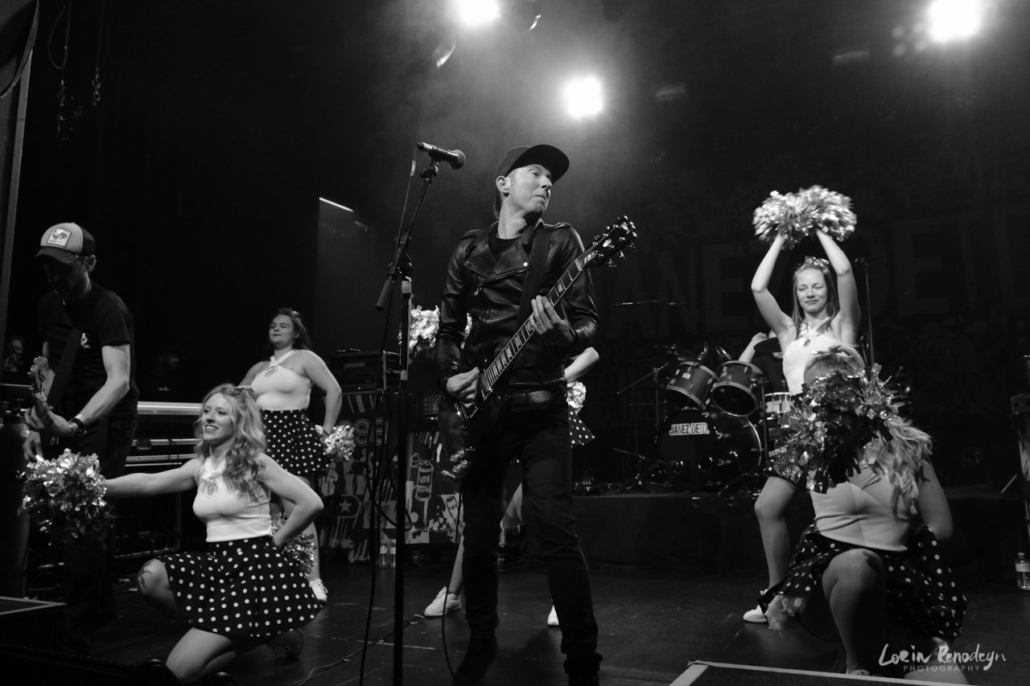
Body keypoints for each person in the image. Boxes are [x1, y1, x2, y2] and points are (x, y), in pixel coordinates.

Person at [436, 144, 602, 686]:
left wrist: (562, 336)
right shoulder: (469, 249)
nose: (547, 181)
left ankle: (583, 663)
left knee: (556, 533)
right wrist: (450, 374)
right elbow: (447, 328)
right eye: (536, 172)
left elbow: (587, 324)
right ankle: (480, 646)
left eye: (552, 177)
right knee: (480, 540)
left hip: (542, 409)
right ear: (504, 183)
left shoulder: (562, 241)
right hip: (483, 413)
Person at [765, 349, 966, 681]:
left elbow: (941, 526)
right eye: (811, 390)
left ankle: (872, 651)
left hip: (898, 588)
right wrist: (775, 587)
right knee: (858, 564)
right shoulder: (811, 445)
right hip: (832, 588)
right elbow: (766, 508)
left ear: (858, 388)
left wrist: (900, 551)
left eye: (824, 389)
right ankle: (857, 664)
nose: (816, 400)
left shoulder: (907, 446)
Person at [103, 384, 324, 684]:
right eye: (206, 411)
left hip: (255, 569)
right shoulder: (201, 466)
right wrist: (98, 485)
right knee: (150, 578)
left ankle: (263, 632)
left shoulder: (256, 462)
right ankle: (265, 630)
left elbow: (311, 503)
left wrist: (277, 541)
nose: (209, 417)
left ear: (238, 422)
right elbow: (150, 483)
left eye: (221, 412)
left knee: (178, 670)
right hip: (219, 564)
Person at [22, 222, 139, 654]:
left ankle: (75, 629)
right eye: (49, 268)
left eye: (65, 268)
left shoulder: (109, 308)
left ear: (89, 263)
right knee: (69, 521)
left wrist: (75, 424)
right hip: (66, 417)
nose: (56, 277)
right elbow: (53, 364)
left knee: (83, 524)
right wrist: (40, 422)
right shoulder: (50, 304)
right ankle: (98, 608)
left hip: (105, 422)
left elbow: (119, 382)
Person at [424, 347, 600, 629]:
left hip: (542, 423)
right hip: (501, 424)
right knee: (480, 518)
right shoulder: (492, 338)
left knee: (551, 519)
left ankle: (562, 600)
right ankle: (454, 592)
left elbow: (590, 353)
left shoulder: (542, 330)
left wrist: (554, 381)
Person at [745, 229, 860, 624]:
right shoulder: (788, 332)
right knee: (766, 506)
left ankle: (846, 595)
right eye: (803, 288)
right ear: (795, 294)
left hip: (841, 430)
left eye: (817, 286)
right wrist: (781, 237)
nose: (810, 293)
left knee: (833, 519)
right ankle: (777, 596)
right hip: (801, 431)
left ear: (827, 289)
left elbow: (844, 271)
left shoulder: (843, 326)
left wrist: (819, 230)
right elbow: (758, 286)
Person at [240, 308, 342, 603]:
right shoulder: (259, 367)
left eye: (283, 326)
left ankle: (313, 580)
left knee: (297, 506)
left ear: (296, 332)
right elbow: (237, 396)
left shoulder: (305, 358)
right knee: (265, 510)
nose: (276, 329)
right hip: (259, 437)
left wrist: (326, 432)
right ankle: (273, 577)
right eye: (273, 325)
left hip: (291, 434)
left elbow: (334, 391)